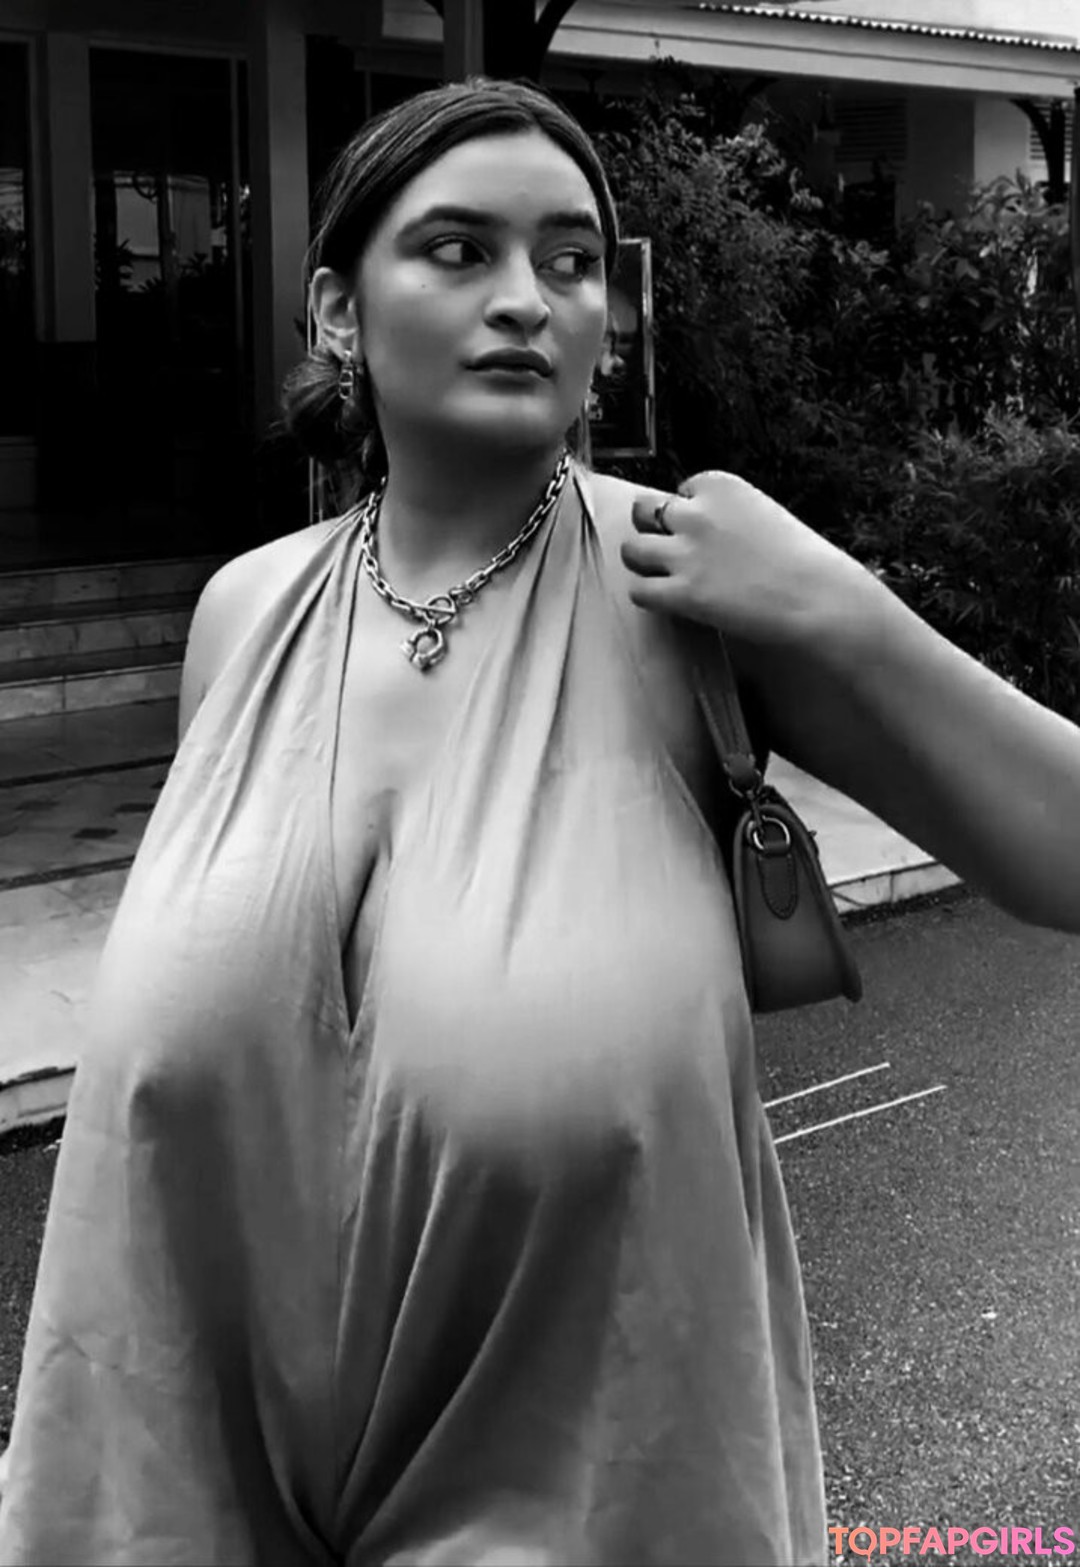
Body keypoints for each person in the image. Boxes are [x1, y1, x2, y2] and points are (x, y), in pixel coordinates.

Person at [2, 74, 1079, 1567]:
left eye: (571, 261)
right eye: (460, 250)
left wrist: (847, 608)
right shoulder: (242, 617)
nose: (528, 297)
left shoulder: (688, 592)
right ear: (337, 310)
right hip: (190, 1501)